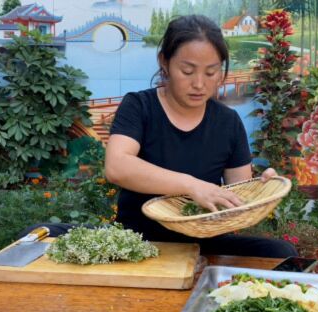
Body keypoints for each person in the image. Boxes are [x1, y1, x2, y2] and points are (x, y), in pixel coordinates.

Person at [103, 15, 296, 258]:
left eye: (211, 72)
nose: (199, 84)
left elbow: (238, 197)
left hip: (204, 244)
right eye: (187, 70)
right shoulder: (139, 106)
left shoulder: (228, 122)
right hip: (137, 241)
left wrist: (261, 189)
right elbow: (117, 166)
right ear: (165, 62)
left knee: (279, 252)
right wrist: (192, 186)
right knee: (46, 231)